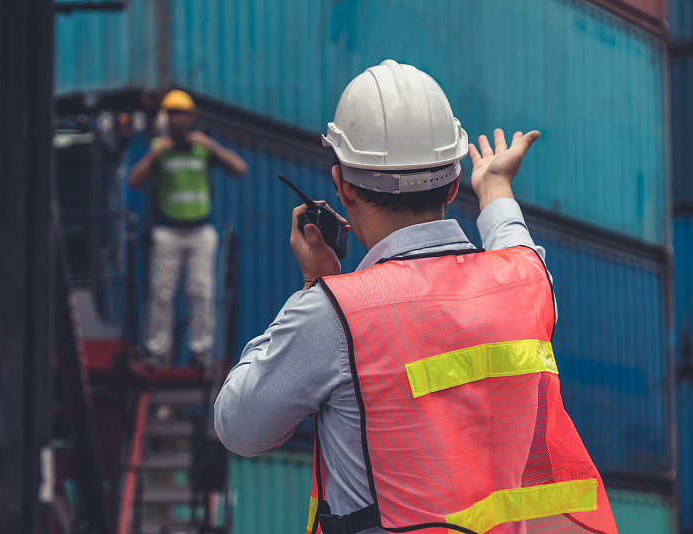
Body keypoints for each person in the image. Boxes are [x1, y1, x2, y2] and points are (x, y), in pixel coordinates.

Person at [214, 60, 617, 534]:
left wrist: (310, 289)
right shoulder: (528, 283)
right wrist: (495, 188)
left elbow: (238, 427)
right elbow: (515, 240)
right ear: (452, 185)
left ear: (342, 187)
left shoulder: (336, 313)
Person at [128, 89, 247, 368]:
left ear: (191, 117)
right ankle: (158, 352)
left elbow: (239, 168)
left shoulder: (201, 148)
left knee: (201, 291)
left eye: (181, 113)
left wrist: (211, 145)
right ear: (165, 118)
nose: (176, 119)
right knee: (161, 293)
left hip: (199, 231)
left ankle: (201, 352)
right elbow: (134, 181)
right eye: (171, 114)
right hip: (167, 231)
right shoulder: (159, 148)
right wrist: (153, 155)